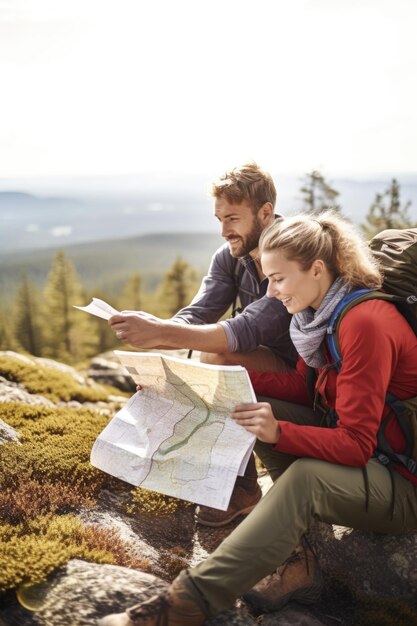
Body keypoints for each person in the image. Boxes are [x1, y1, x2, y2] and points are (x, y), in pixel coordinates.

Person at [100, 210, 417, 626]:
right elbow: (306, 390)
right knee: (245, 403)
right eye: (267, 278)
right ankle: (296, 557)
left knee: (305, 478)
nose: (271, 291)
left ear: (317, 269)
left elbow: (356, 445)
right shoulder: (318, 316)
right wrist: (204, 382)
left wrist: (279, 431)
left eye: (280, 279)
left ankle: (185, 605)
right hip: (372, 454)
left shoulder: (364, 323)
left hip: (398, 477)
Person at [109, 163, 306, 528]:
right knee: (204, 358)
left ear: (265, 213)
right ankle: (218, 481)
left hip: (303, 375)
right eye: (219, 219)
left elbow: (249, 327)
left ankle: (240, 488)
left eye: (232, 218)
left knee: (214, 355)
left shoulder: (292, 253)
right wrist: (161, 332)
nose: (224, 230)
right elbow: (199, 312)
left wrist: (164, 335)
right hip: (263, 363)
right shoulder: (230, 258)